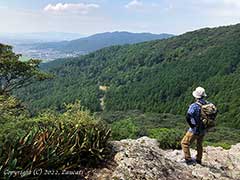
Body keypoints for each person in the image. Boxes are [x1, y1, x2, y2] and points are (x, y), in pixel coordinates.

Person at [181, 87, 208, 165]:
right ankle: (199, 160)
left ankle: (188, 160)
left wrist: (192, 125)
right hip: (203, 129)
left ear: (196, 96)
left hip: (195, 129)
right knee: (199, 144)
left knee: (184, 143)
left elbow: (188, 116)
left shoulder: (194, 105)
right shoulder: (207, 103)